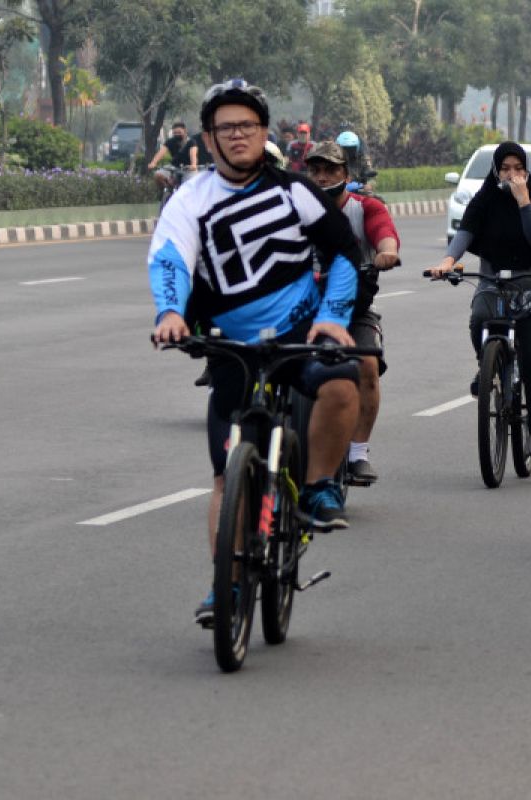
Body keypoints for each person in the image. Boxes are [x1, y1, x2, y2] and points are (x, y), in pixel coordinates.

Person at [148, 79, 367, 626]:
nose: (238, 135)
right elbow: (171, 257)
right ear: (210, 138)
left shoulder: (296, 192)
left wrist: (332, 319)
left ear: (264, 133)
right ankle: (227, 587)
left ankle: (317, 486)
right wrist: (171, 313)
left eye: (247, 126)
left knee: (344, 385)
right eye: (226, 128)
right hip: (231, 348)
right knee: (226, 476)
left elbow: (344, 251)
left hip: (301, 335)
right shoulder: (191, 199)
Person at [431, 142, 531, 459]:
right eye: (505, 168)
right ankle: (485, 365)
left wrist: (524, 202)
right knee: (478, 318)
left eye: (518, 169)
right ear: (496, 170)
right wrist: (448, 261)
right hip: (493, 277)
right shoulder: (485, 197)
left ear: (526, 172)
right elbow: (466, 231)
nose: (512, 175)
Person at [304, 141, 400, 484]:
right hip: (300, 313)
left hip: (353, 311)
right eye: (315, 170)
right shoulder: (290, 210)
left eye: (330, 169)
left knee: (368, 366)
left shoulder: (366, 207)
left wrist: (386, 253)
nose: (321, 177)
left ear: (345, 174)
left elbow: (385, 235)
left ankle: (358, 453)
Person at [147, 121, 193, 189]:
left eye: (179, 132)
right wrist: (153, 162)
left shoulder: (192, 142)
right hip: (174, 167)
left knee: (190, 185)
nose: (177, 135)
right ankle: (168, 190)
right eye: (175, 133)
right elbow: (161, 152)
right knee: (158, 175)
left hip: (189, 169)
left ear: (185, 131)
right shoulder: (170, 141)